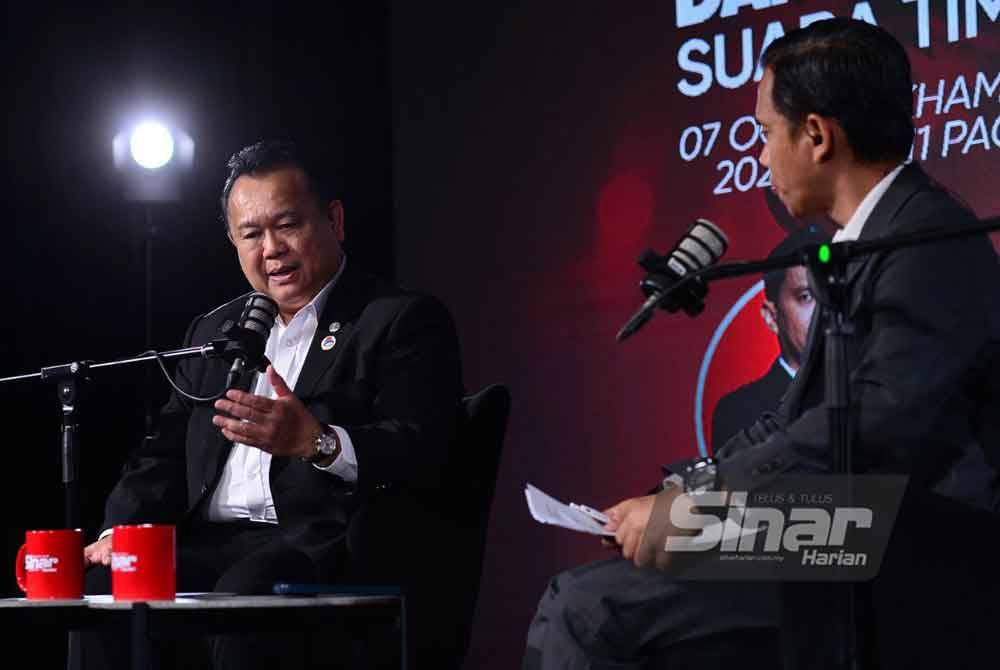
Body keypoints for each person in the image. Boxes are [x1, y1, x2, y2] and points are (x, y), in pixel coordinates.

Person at [526, 17, 1000, 670]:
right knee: (593, 598)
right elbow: (800, 420)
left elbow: (873, 432)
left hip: (903, 546)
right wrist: (679, 494)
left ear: (815, 135)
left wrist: (700, 506)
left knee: (586, 608)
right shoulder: (872, 241)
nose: (759, 156)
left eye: (764, 134)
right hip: (849, 530)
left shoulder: (928, 242)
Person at [80, 140, 465, 669]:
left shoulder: (398, 320)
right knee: (105, 589)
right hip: (208, 542)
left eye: (287, 226)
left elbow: (425, 446)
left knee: (250, 591)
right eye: (251, 234)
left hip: (319, 545)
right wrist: (117, 532)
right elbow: (163, 452)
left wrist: (316, 442)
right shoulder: (216, 331)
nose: (272, 249)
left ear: (333, 220)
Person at [711, 225, 828, 450]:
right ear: (772, 316)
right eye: (806, 297)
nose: (825, 309)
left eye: (831, 292)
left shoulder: (877, 387)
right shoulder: (739, 411)